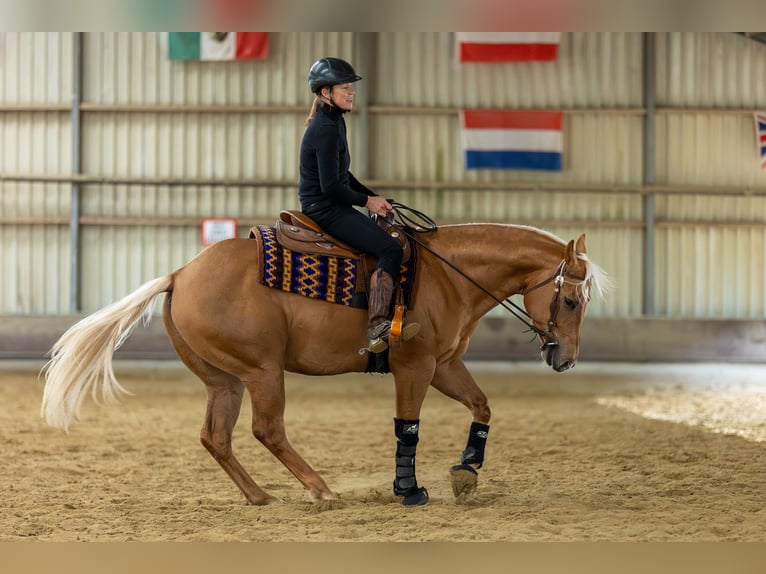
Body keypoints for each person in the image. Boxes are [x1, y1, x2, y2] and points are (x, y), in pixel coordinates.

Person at [299, 57, 419, 353]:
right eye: (344, 88)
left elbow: (343, 175)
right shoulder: (326, 128)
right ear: (326, 93)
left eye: (351, 87)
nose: (351, 92)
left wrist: (373, 197)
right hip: (324, 207)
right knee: (390, 248)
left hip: (330, 203)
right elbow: (332, 187)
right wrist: (367, 200)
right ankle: (378, 324)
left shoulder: (333, 122)